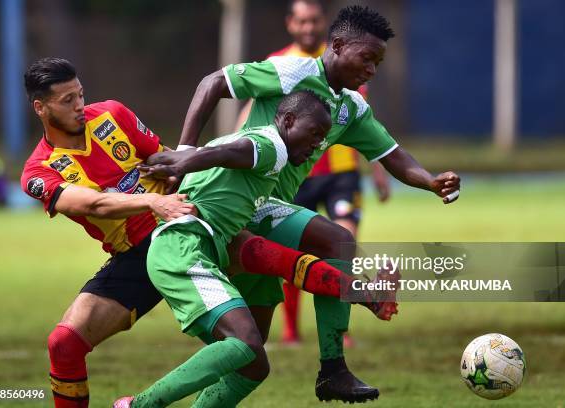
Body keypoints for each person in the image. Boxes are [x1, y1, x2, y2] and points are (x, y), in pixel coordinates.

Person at [171, 5, 461, 403]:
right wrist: (183, 155)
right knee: (331, 245)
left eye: (378, 62)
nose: (372, 70)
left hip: (262, 207)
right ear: (338, 45)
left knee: (251, 358)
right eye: (367, 58)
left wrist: (430, 181)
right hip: (221, 204)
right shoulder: (291, 71)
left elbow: (392, 155)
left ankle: (332, 371)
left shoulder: (352, 107)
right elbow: (212, 83)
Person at [113, 90, 332, 407]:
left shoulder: (253, 149)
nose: (317, 145)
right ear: (288, 120)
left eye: (322, 138)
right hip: (185, 246)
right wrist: (182, 160)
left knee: (253, 365)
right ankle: (139, 405)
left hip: (195, 247)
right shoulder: (272, 146)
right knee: (245, 342)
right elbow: (230, 152)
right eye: (314, 134)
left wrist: (184, 161)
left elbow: (226, 153)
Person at [20, 58, 198, 407]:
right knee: (63, 344)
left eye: (80, 94)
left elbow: (169, 161)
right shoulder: (38, 171)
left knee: (241, 339)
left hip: (184, 226)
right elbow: (93, 205)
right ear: (40, 108)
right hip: (135, 256)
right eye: (67, 100)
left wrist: (170, 172)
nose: (80, 106)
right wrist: (150, 201)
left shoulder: (113, 115)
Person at [242, 0, 392, 346]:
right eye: (303, 21)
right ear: (291, 24)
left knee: (343, 239)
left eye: (314, 21)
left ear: (323, 23)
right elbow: (253, 110)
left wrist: (379, 171)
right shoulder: (283, 65)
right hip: (299, 174)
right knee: (296, 250)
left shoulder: (353, 61)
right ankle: (292, 329)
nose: (309, 27)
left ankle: (339, 329)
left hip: (342, 173)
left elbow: (365, 125)